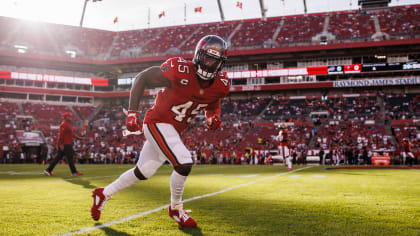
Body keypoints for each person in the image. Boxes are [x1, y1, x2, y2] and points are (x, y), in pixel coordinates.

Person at [90, 35, 229, 228]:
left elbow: (212, 104)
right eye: (207, 58)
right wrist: (132, 112)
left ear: (221, 64)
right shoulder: (180, 69)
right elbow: (143, 77)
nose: (209, 65)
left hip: (172, 129)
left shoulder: (221, 84)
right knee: (184, 162)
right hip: (157, 122)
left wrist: (212, 117)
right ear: (198, 55)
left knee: (143, 171)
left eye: (214, 61)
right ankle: (176, 208)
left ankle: (103, 193)